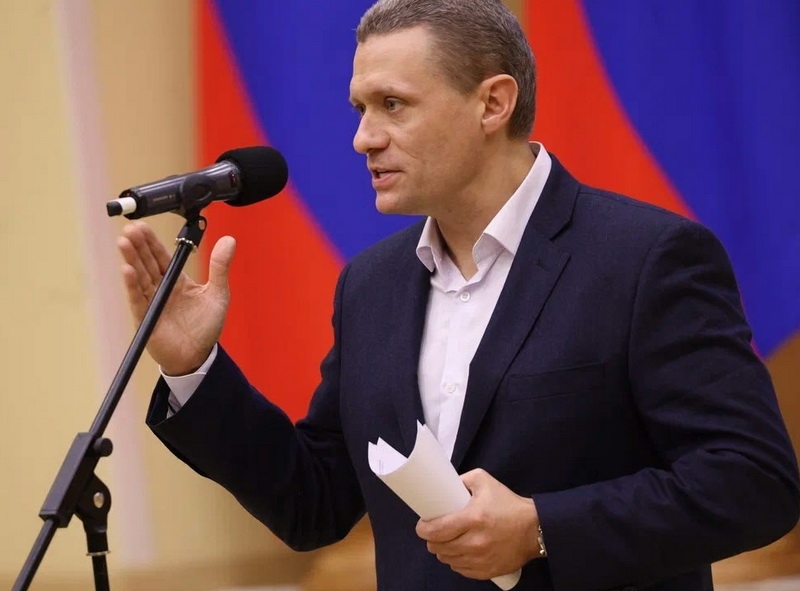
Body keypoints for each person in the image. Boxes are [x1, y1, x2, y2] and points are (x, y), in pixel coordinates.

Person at [118, 1, 800, 590]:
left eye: (392, 104)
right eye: (360, 108)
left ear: (492, 103)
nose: (362, 138)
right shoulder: (370, 286)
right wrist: (193, 368)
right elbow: (314, 502)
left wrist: (541, 528)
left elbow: (754, 481)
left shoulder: (645, 258)